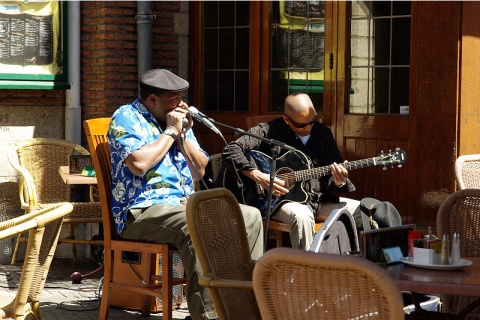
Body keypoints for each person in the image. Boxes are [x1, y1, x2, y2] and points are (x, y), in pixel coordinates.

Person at [107, 69, 264, 320]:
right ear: (152, 100)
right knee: (195, 226)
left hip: (184, 204)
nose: (182, 105)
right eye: (174, 99)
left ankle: (245, 306)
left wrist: (181, 137)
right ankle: (208, 316)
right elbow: (138, 164)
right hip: (141, 210)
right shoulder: (126, 117)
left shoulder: (178, 120)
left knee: (251, 216)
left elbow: (199, 171)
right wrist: (169, 132)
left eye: (182, 98)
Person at [221, 92, 359, 251]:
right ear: (287, 119)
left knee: (367, 211)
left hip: (320, 201)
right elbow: (231, 150)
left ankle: (365, 268)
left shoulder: (323, 133)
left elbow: (332, 178)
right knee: (302, 217)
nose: (309, 127)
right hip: (282, 202)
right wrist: (258, 176)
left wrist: (338, 181)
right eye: (302, 125)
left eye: (312, 122)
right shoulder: (269, 131)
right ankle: (307, 273)